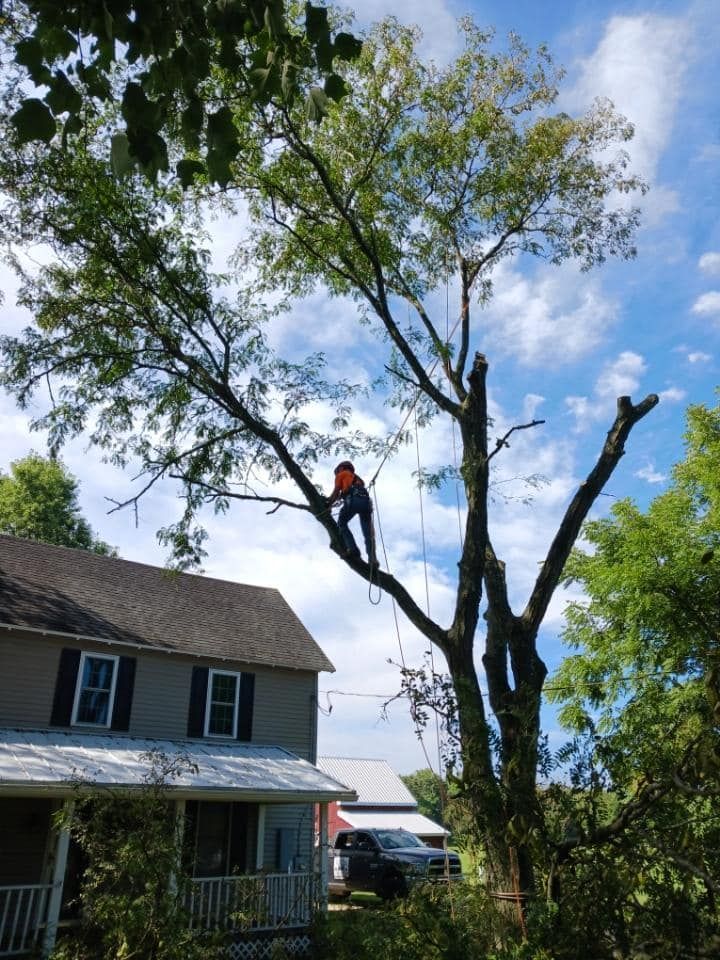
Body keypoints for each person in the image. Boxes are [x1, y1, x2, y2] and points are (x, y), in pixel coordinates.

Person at [327, 461, 379, 568]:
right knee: (368, 535)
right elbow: (344, 492)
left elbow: (336, 491)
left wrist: (328, 504)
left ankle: (353, 549)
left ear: (341, 468)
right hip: (366, 503)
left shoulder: (342, 474)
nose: (337, 474)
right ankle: (372, 560)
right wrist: (342, 496)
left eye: (337, 471)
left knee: (341, 523)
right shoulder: (357, 479)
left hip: (354, 501)